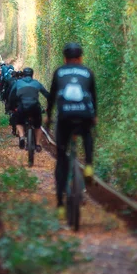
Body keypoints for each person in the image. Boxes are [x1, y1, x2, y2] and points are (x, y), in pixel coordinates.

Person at [44, 42, 98, 220]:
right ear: (81, 58)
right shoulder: (88, 72)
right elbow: (93, 96)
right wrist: (94, 116)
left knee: (61, 160)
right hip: (84, 116)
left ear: (64, 58)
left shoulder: (59, 72)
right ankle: (88, 164)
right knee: (87, 132)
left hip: (65, 118)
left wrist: (49, 117)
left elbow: (52, 97)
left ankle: (60, 205)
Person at [8, 67, 50, 151]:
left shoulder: (18, 83)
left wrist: (12, 107)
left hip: (22, 107)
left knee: (18, 122)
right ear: (32, 75)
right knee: (38, 125)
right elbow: (47, 95)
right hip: (35, 107)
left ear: (23, 74)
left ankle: (22, 136)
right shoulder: (37, 83)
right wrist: (48, 107)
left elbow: (11, 96)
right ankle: (37, 144)